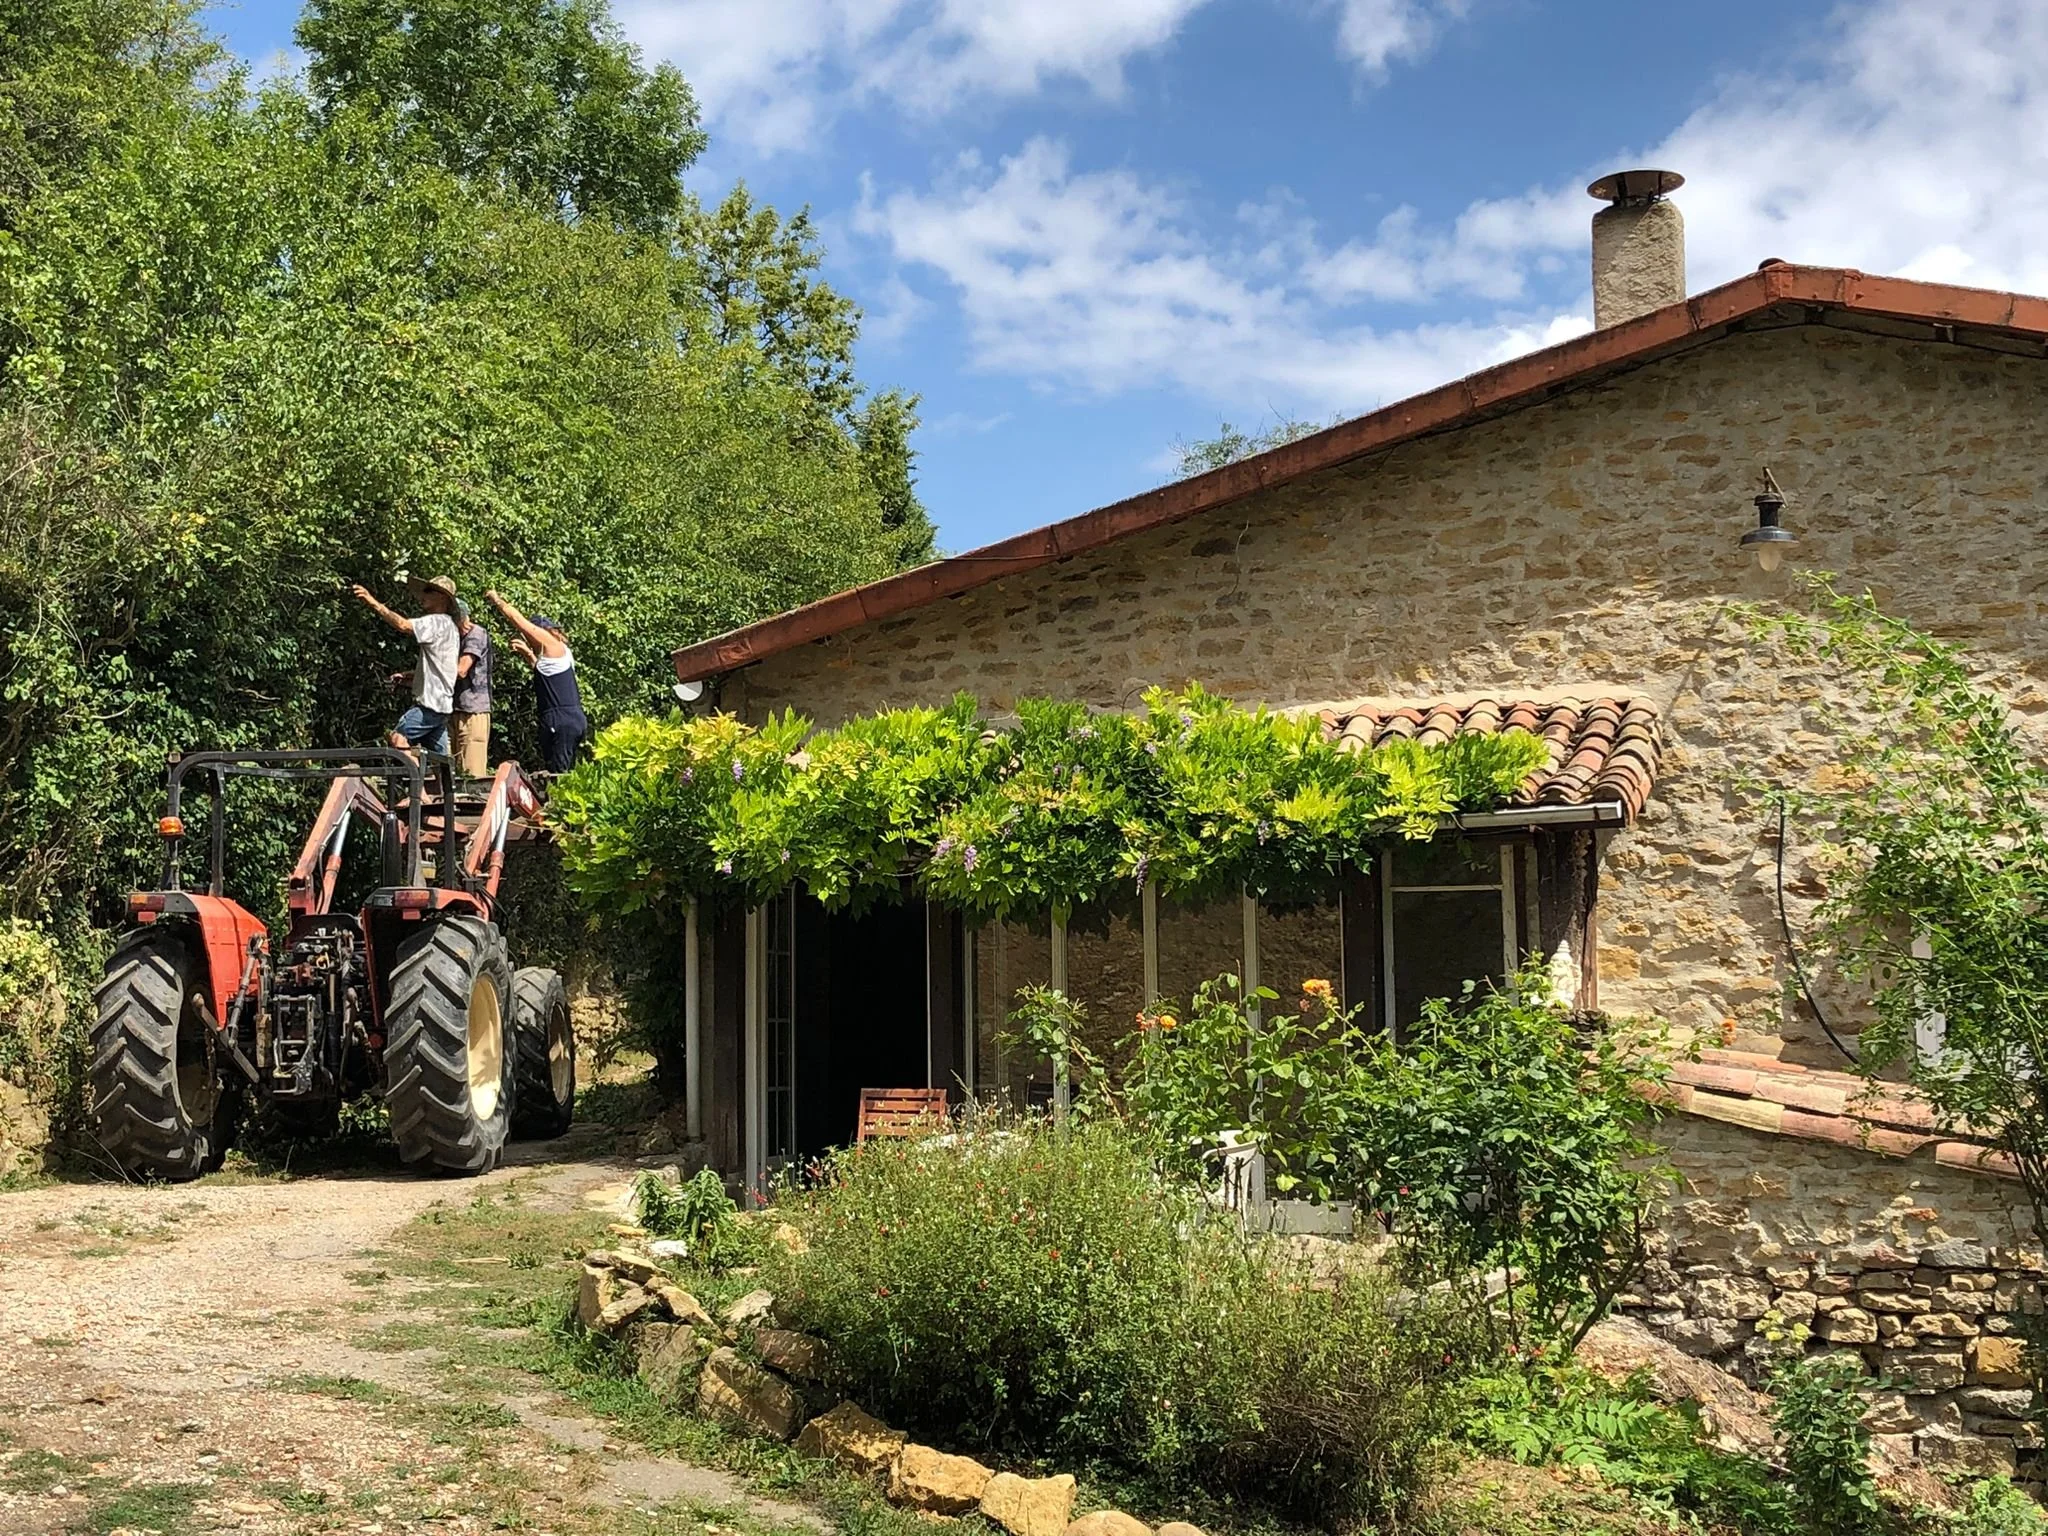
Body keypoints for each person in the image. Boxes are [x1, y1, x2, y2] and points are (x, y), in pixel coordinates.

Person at [350, 575, 460, 756]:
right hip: (442, 706)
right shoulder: (450, 627)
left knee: (398, 739)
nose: (423, 596)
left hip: (430, 705)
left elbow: (403, 625)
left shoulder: (436, 622)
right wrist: (410, 677)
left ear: (442, 597)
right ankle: (433, 776)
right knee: (439, 762)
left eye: (428, 591)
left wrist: (372, 602)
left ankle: (414, 775)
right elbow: (441, 668)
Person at [486, 589, 588, 772]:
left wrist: (497, 600)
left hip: (561, 719)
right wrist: (528, 655)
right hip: (569, 719)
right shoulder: (557, 656)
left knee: (558, 775)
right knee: (562, 771)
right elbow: (549, 677)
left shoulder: (552, 645)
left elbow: (519, 621)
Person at [449, 599, 495, 777]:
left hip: (473, 711)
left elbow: (461, 670)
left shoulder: (476, 634)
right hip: (453, 710)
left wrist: (429, 673)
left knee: (472, 774)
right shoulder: (454, 638)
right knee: (449, 773)